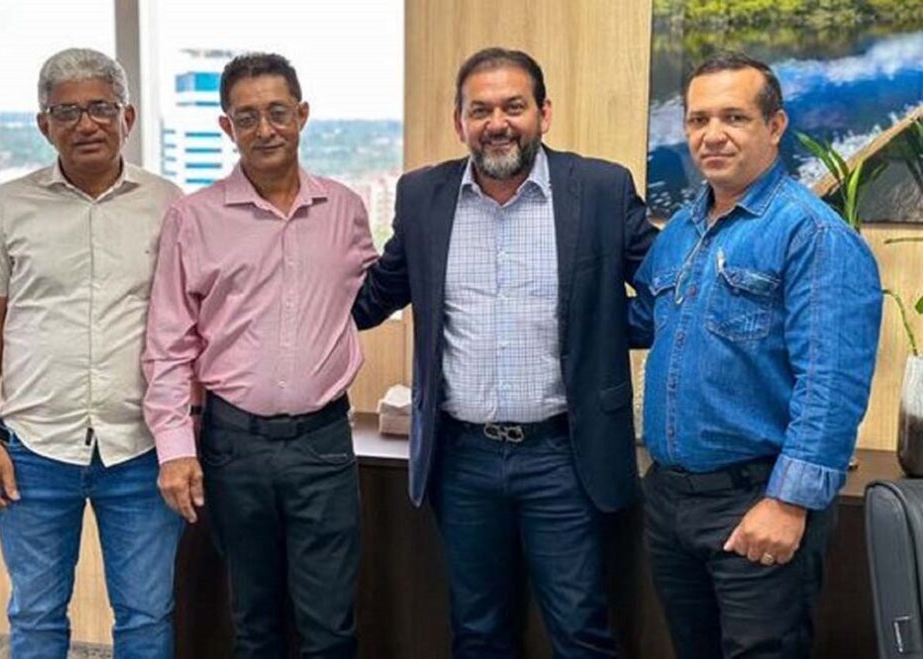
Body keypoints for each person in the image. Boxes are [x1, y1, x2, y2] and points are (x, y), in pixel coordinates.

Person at [353, 47, 657, 658]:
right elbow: (373, 298)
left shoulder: (600, 189)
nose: (498, 123)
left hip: (565, 456)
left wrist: (598, 331)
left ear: (544, 113)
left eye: (514, 106)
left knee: (580, 630)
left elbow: (664, 296)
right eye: (480, 110)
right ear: (459, 121)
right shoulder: (422, 196)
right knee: (478, 632)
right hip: (461, 459)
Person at [629, 52, 883, 658]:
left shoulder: (812, 234)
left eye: (734, 117)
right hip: (670, 502)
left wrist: (788, 502)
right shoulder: (681, 232)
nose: (712, 135)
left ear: (774, 126)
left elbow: (831, 382)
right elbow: (648, 322)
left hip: (757, 501)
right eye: (698, 120)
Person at [143, 52, 376, 658]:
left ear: (302, 115)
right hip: (234, 447)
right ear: (227, 127)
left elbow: (369, 294)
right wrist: (175, 449)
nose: (265, 129)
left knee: (330, 628)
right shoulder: (193, 218)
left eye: (278, 112)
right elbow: (167, 345)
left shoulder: (346, 209)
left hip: (323, 444)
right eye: (247, 118)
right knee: (255, 624)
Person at [0, 48, 184, 658]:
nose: (86, 124)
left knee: (146, 617)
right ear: (44, 125)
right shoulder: (7, 206)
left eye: (101, 108)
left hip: (140, 447)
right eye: (67, 112)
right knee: (35, 616)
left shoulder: (168, 204)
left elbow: (188, 325)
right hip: (33, 448)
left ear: (127, 117)